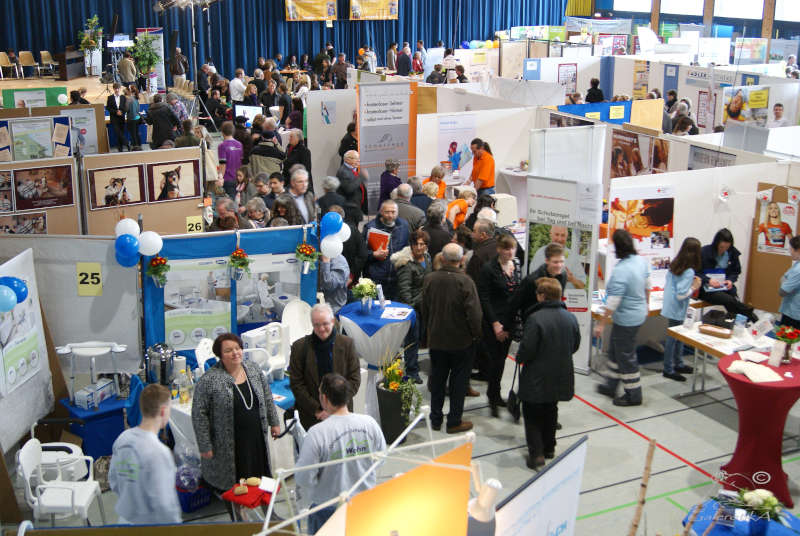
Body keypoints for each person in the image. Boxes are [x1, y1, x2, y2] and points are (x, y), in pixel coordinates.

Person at [192, 333, 281, 498]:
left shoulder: (253, 369)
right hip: (230, 444)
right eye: (228, 350)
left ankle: (266, 510)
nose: (235, 353)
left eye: (237, 348)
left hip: (256, 439)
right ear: (219, 355)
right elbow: (199, 414)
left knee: (260, 478)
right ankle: (239, 516)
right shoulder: (209, 380)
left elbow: (267, 397)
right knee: (235, 485)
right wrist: (205, 445)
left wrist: (274, 422)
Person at [295, 373, 385, 532]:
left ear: (324, 399)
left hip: (328, 510)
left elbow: (303, 477)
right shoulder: (369, 423)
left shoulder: (317, 433)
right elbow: (381, 459)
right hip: (364, 504)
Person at [517, 277, 580, 470]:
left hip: (537, 375)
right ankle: (549, 447)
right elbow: (575, 344)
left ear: (542, 296)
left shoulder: (535, 319)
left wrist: (520, 357)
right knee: (551, 409)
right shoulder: (570, 317)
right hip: (560, 373)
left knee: (532, 413)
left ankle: (536, 455)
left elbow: (527, 349)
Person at [422, 243, 483, 433]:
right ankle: (454, 421)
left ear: (443, 258)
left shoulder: (430, 279)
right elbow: (474, 314)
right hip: (461, 342)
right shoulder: (466, 282)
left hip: (437, 340)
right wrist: (476, 335)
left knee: (438, 380)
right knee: (458, 383)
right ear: (461, 259)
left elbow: (424, 307)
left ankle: (436, 419)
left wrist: (429, 329)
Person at [108, 384, 182, 525]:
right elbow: (165, 504)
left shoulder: (123, 440)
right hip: (151, 526)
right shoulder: (159, 453)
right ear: (163, 411)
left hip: (125, 520)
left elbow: (114, 480)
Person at [594, 230, 650, 407]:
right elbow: (648, 285)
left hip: (626, 319)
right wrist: (646, 306)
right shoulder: (640, 261)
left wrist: (601, 324)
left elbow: (612, 302)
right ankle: (611, 385)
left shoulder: (621, 270)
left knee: (625, 356)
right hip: (638, 313)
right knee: (615, 351)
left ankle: (634, 394)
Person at [289, 304, 361, 430]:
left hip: (342, 414)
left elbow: (354, 379)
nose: (321, 329)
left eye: (325, 323)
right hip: (311, 417)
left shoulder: (347, 344)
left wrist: (337, 408)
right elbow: (297, 384)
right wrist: (317, 411)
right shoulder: (299, 348)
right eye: (316, 325)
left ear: (333, 321)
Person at [477, 233, 521, 416]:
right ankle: (492, 396)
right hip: (493, 321)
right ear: (499, 249)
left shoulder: (516, 266)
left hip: (510, 322)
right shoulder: (489, 269)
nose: (510, 252)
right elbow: (484, 299)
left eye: (512, 248)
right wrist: (495, 324)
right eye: (506, 248)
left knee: (502, 360)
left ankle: (495, 395)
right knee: (495, 361)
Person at [392, 229, 432, 383]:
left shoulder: (427, 258)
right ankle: (412, 371)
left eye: (422, 244)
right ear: (411, 245)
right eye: (416, 244)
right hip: (412, 309)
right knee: (412, 341)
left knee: (419, 339)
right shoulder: (406, 263)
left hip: (424, 306)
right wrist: (411, 309)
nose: (419, 247)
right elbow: (404, 290)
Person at [661, 237, 702, 382]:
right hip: (677, 307)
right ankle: (668, 368)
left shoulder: (675, 265)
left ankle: (678, 363)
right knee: (674, 338)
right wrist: (694, 287)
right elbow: (681, 294)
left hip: (670, 305)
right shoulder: (688, 271)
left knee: (678, 337)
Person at [699, 228, 757, 323]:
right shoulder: (704, 252)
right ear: (716, 243)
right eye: (722, 247)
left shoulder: (732, 252)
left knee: (732, 300)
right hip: (706, 289)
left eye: (727, 247)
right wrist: (708, 280)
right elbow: (696, 273)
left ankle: (743, 320)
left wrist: (730, 280)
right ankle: (750, 314)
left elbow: (736, 271)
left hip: (723, 286)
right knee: (729, 300)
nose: (724, 250)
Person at [363, 200, 410, 299]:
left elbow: (407, 247)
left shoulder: (404, 226)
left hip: (396, 277)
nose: (390, 215)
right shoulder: (370, 227)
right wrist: (373, 254)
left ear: (397, 212)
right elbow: (361, 252)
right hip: (376, 277)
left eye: (393, 212)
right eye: (387, 212)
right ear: (381, 212)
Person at [530, 226, 586, 290]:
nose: (559, 239)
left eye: (563, 235)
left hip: (567, 299)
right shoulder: (540, 253)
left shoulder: (573, 257)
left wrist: (572, 279)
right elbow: (532, 280)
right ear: (551, 235)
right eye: (557, 234)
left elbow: (582, 286)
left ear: (566, 237)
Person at [328, 204, 367, 283]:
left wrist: (351, 275)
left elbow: (362, 255)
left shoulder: (352, 232)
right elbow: (362, 254)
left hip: (343, 278)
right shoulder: (353, 230)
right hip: (340, 278)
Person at [337, 150, 367, 224]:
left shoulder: (353, 171)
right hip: (349, 211)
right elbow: (349, 188)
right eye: (356, 158)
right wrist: (361, 177)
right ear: (347, 159)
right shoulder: (343, 172)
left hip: (356, 208)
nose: (358, 160)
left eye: (359, 158)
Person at [319, 246, 349, 313]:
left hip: (334, 310)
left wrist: (326, 262)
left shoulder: (339, 261)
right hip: (316, 306)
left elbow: (329, 285)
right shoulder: (316, 256)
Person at [217, 121, 243, 198]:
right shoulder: (239, 144)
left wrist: (220, 177)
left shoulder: (222, 146)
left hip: (227, 178)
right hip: (238, 178)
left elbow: (223, 164)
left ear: (222, 132)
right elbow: (241, 161)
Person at [779, 236, 800, 329]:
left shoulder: (798, 270)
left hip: (793, 314)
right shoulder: (797, 264)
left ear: (798, 250)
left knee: (787, 340)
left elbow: (782, 291)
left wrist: (785, 281)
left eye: (791, 249)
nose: (790, 252)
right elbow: (783, 278)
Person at [106, 83, 129, 152]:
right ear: (113, 89)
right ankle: (127, 143)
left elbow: (126, 107)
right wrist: (116, 112)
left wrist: (122, 112)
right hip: (114, 118)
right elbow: (108, 108)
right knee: (118, 132)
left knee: (121, 132)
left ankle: (120, 147)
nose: (117, 90)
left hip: (121, 117)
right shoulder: (110, 98)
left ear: (120, 89)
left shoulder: (123, 97)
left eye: (118, 88)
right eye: (115, 88)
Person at [124, 85, 142, 150]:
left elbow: (126, 109)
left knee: (133, 133)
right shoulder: (136, 98)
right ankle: (139, 144)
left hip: (131, 118)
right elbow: (138, 108)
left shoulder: (129, 99)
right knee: (137, 132)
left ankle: (135, 146)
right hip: (137, 118)